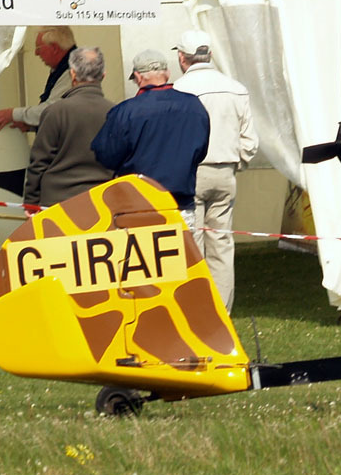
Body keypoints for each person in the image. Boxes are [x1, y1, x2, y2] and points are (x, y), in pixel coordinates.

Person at [173, 30, 258, 313]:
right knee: (221, 244)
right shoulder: (235, 87)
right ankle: (222, 309)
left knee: (192, 242)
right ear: (210, 54)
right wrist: (237, 162)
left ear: (182, 58)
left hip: (191, 172)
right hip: (225, 171)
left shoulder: (179, 89)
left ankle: (197, 312)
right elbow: (250, 141)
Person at [91, 48, 210, 230]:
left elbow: (106, 156)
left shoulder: (125, 112)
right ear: (168, 73)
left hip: (137, 205)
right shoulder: (194, 105)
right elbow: (201, 151)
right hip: (180, 205)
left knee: (139, 258)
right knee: (180, 258)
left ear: (138, 77)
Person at [23, 47, 115, 207]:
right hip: (102, 202)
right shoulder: (116, 114)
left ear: (72, 74)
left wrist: (31, 201)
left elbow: (39, 163)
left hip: (57, 204)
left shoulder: (54, 112)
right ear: (103, 75)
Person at [0, 26, 78, 132]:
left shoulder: (73, 72)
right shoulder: (67, 68)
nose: (36, 53)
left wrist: (12, 114)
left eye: (39, 48)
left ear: (54, 48)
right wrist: (32, 126)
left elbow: (53, 111)